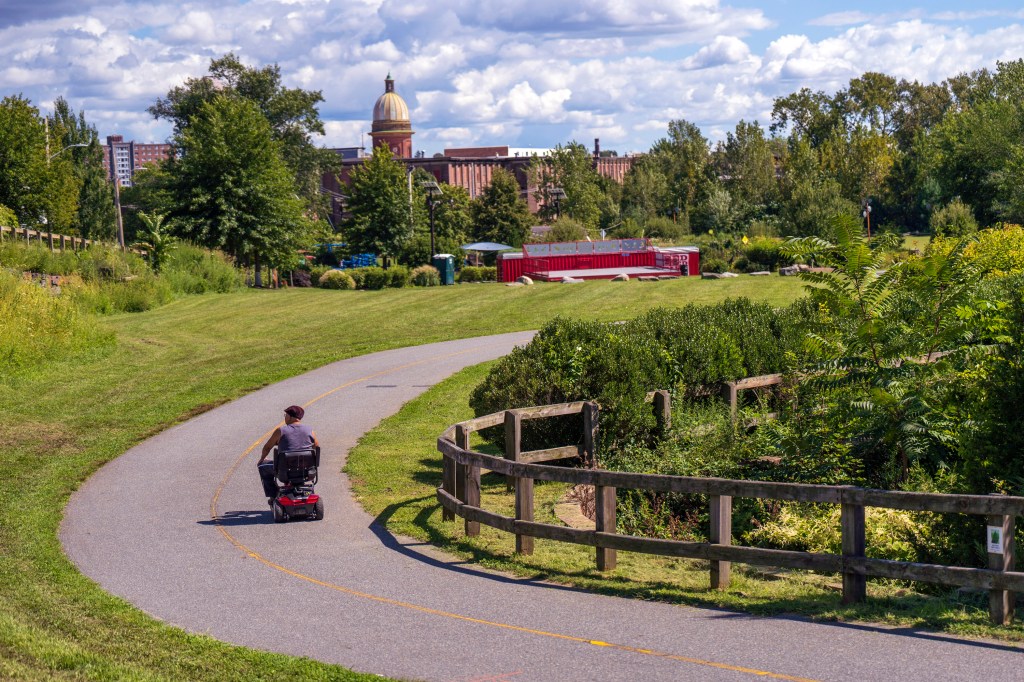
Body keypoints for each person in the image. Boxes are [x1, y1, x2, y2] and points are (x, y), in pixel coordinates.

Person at [257, 405, 320, 503]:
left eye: (285, 415)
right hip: (306, 470)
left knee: (262, 466)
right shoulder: (310, 430)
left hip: (285, 471)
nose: (285, 417)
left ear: (290, 417)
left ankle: (273, 495)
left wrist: (262, 459)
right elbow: (316, 446)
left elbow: (267, 447)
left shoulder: (280, 431)